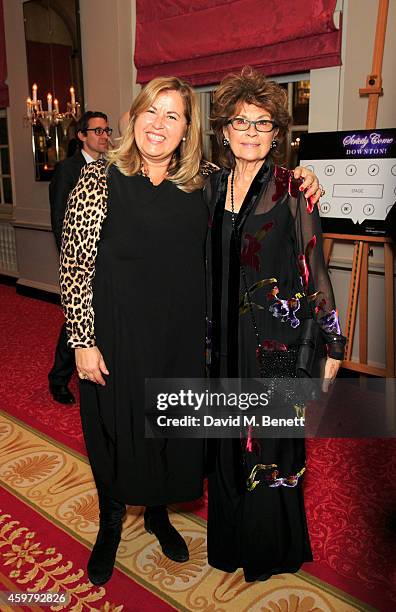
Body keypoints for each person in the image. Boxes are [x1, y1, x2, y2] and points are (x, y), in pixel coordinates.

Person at [59, 75, 322, 586]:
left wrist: (305, 178)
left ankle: (157, 514)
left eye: (173, 115)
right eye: (151, 112)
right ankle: (111, 525)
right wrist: (82, 341)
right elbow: (74, 267)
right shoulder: (97, 179)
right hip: (116, 337)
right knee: (114, 434)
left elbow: (257, 184)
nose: (159, 124)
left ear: (187, 129)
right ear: (133, 117)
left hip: (181, 341)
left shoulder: (202, 181)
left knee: (168, 435)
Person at [205, 67, 346, 582]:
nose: (250, 132)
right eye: (241, 122)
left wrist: (332, 343)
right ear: (224, 129)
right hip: (221, 343)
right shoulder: (208, 185)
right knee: (224, 442)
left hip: (275, 341)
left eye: (262, 124)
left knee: (269, 441)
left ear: (275, 133)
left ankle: (269, 548)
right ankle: (229, 541)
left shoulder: (292, 189)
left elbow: (316, 266)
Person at [48, 111, 111, 404]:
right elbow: (61, 220)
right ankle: (58, 378)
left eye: (107, 130)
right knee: (74, 325)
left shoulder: (113, 167)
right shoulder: (68, 169)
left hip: (107, 268)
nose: (104, 136)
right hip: (80, 267)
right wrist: (74, 268)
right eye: (97, 131)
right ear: (81, 136)